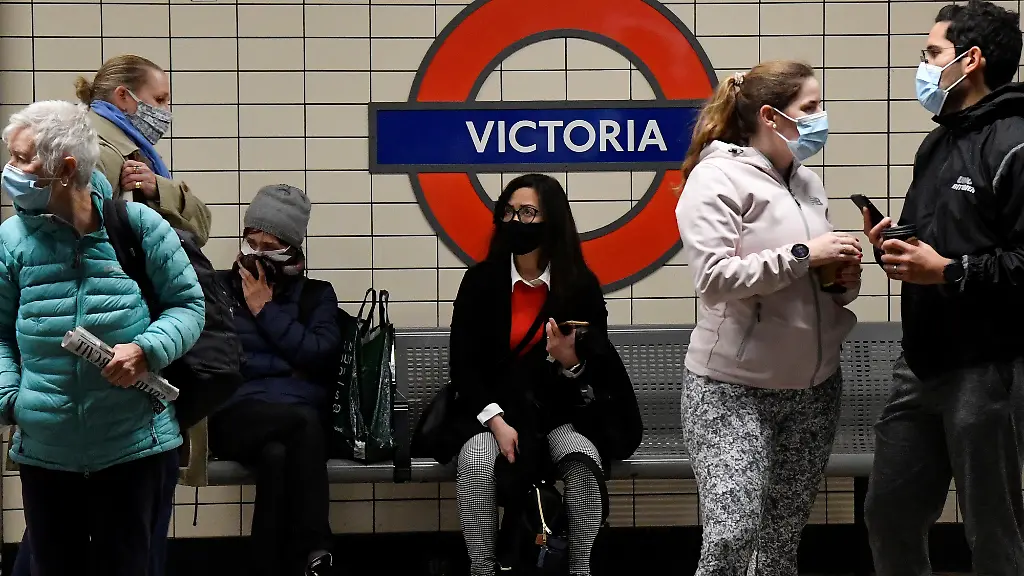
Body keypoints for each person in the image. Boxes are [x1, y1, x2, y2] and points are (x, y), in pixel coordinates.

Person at [10, 54, 216, 576]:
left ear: (66, 170)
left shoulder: (138, 224)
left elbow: (189, 305)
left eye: (22, 160)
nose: (11, 171)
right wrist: (13, 399)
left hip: (135, 446)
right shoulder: (12, 243)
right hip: (47, 450)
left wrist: (147, 348)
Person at [675, 60, 862, 575]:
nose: (821, 117)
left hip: (813, 389)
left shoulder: (806, 182)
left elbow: (815, 280)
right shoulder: (715, 178)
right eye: (810, 107)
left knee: (779, 545)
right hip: (732, 390)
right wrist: (804, 254)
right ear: (770, 116)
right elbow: (714, 278)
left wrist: (842, 280)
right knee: (732, 535)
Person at [861, 2, 1024, 574]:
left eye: (933, 53)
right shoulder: (937, 143)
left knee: (994, 529)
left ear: (970, 60)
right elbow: (937, 244)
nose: (924, 65)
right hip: (921, 364)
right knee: (889, 514)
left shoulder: (1016, 143)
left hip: (989, 369)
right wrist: (896, 247)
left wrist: (950, 271)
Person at [443, 173, 641, 576]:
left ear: (552, 220)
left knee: (583, 462)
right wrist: (497, 422)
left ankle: (579, 568)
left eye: (528, 212)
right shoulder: (481, 281)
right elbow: (463, 365)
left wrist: (570, 362)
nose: (516, 220)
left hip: (555, 415)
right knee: (476, 460)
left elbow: (597, 369)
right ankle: (484, 569)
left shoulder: (578, 285)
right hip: (492, 412)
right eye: (509, 211)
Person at [210, 184, 340, 576]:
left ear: (292, 249)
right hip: (237, 416)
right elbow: (215, 360)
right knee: (303, 422)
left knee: (277, 456)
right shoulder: (218, 291)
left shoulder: (316, 296)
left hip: (293, 421)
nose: (258, 254)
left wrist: (265, 310)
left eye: (270, 247)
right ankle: (317, 548)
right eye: (252, 242)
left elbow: (319, 355)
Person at [75, 53, 211, 246]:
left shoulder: (132, 150)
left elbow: (201, 225)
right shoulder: (100, 154)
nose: (166, 111)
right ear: (122, 96)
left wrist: (157, 188)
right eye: (159, 99)